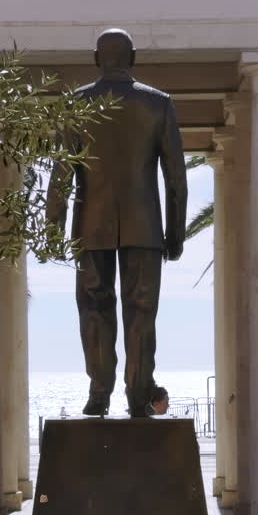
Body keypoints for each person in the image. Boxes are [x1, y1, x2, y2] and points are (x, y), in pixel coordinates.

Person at [46, 28, 188, 418]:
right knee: (141, 313)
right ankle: (139, 395)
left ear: (96, 59)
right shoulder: (158, 104)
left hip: (91, 228)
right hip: (145, 230)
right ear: (134, 57)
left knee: (94, 309)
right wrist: (175, 235)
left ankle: (98, 392)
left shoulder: (77, 104)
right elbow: (176, 178)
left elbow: (61, 173)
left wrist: (51, 229)